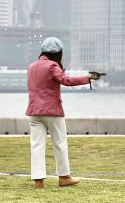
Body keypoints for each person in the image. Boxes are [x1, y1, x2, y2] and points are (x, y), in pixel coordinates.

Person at [26, 37, 100, 188]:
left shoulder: (31, 66)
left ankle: (38, 181)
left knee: (37, 146)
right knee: (60, 143)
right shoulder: (52, 66)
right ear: (58, 52)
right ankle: (64, 177)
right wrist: (88, 78)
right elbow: (67, 81)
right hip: (52, 111)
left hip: (34, 112)